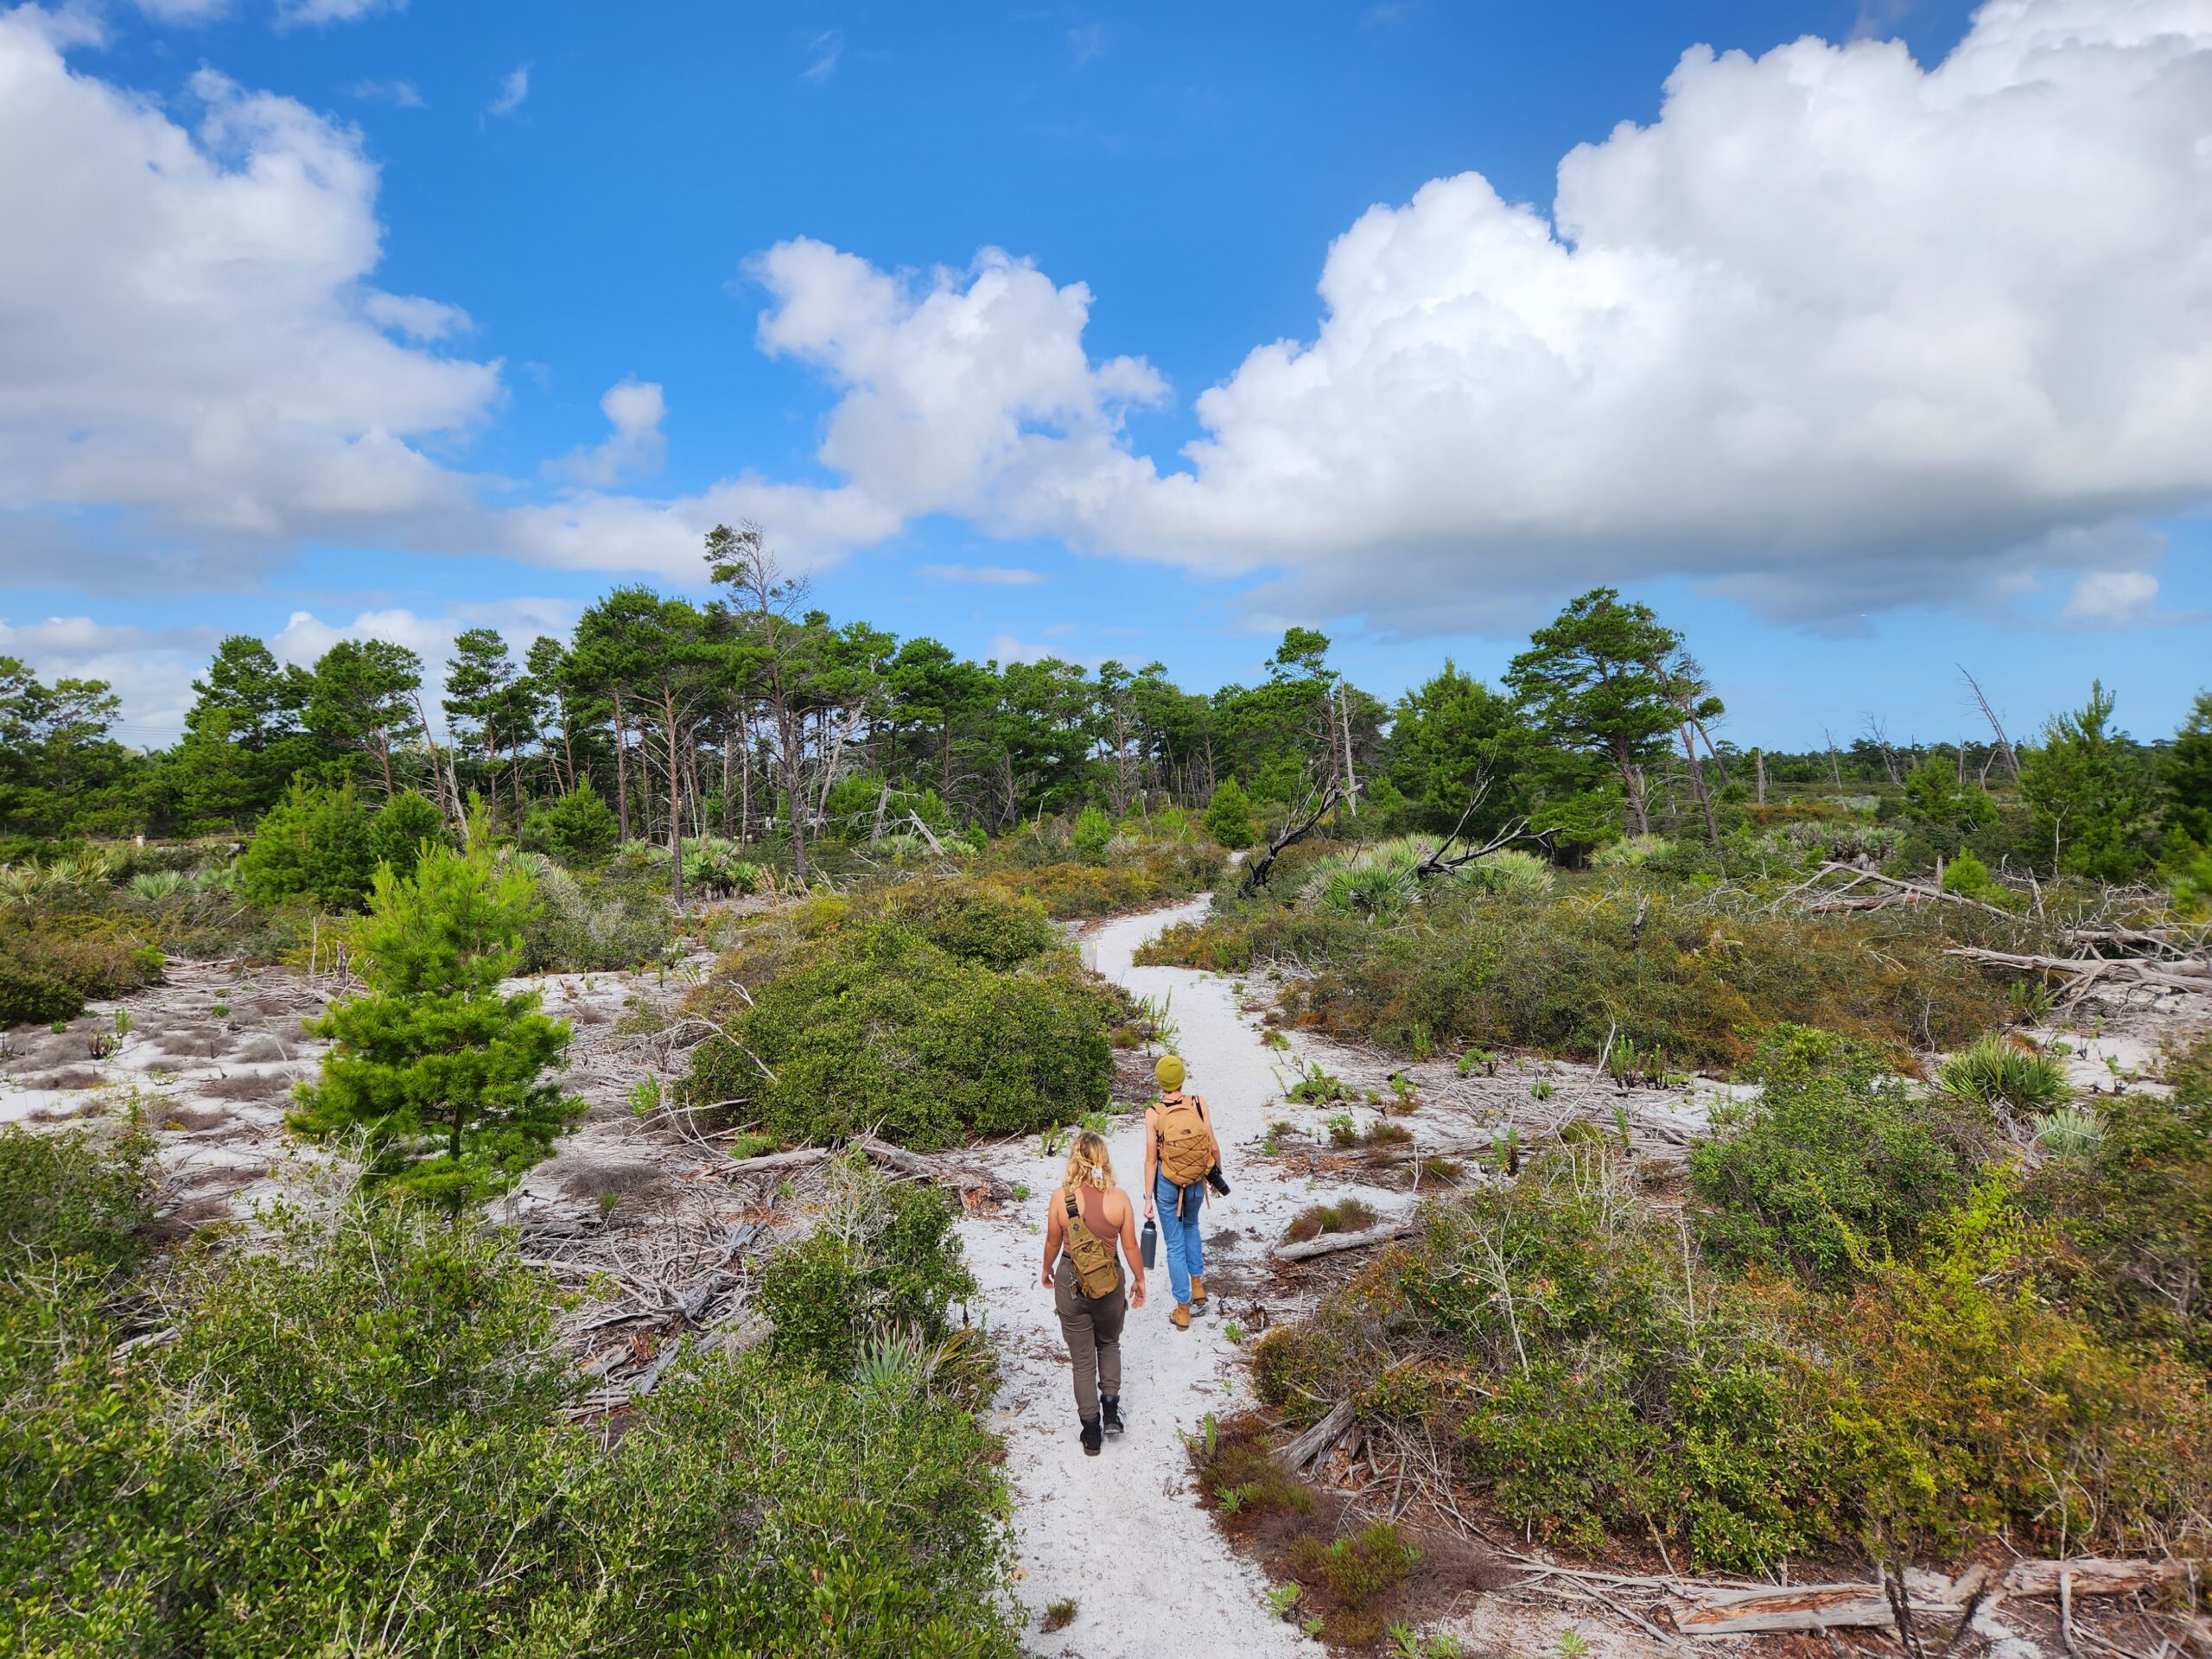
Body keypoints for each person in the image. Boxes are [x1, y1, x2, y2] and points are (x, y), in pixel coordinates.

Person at [1040, 1129, 1146, 1455]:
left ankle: (1090, 1433)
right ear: (1103, 1159)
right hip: (1109, 1282)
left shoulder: (1061, 1198)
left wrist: (1046, 1269)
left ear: (1074, 1159)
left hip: (1071, 1281)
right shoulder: (1119, 1199)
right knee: (1109, 1343)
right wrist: (1139, 1279)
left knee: (1082, 1361)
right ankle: (1111, 1414)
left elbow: (1053, 1242)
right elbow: (1130, 1246)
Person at [1141, 1053, 1220, 1332]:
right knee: (1192, 1226)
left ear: (1160, 1081)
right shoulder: (1198, 1103)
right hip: (1196, 1180)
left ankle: (1183, 1310)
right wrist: (1216, 1174)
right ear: (1182, 1078)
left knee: (1174, 1244)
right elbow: (1212, 1145)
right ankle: (1197, 1287)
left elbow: (1151, 1160)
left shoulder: (1153, 1113)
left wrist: (1148, 1198)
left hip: (1168, 1183)